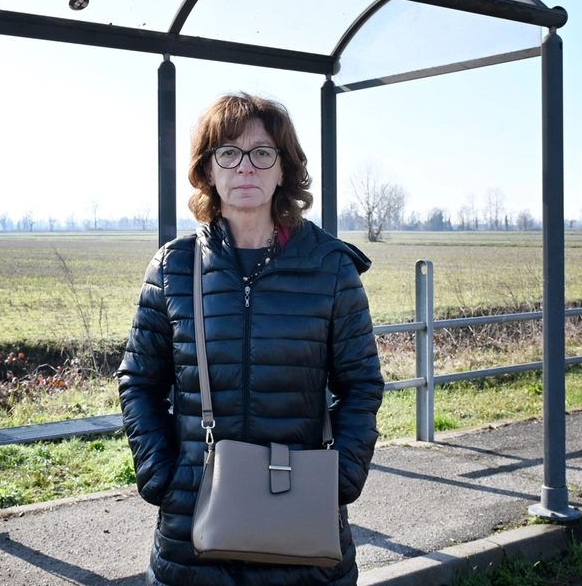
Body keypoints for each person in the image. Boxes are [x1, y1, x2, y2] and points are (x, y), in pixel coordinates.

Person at [118, 92, 384, 585]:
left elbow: (363, 384)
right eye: (229, 153)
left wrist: (340, 479)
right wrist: (161, 476)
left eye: (262, 153)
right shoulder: (173, 267)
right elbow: (139, 380)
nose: (246, 167)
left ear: (284, 170)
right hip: (192, 526)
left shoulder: (330, 267)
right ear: (208, 170)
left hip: (302, 521)